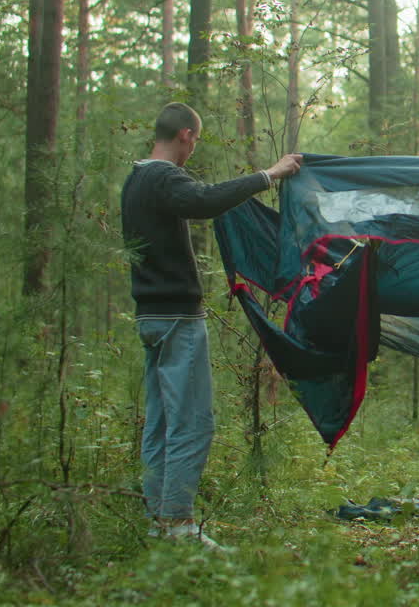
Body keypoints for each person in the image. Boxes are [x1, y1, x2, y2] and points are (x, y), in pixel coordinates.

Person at [121, 102, 302, 548]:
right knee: (192, 423)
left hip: (151, 316)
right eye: (195, 140)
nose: (193, 150)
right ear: (185, 134)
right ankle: (178, 525)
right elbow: (203, 201)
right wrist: (270, 175)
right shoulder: (163, 176)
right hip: (176, 318)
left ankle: (158, 524)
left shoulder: (135, 178)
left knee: (162, 424)